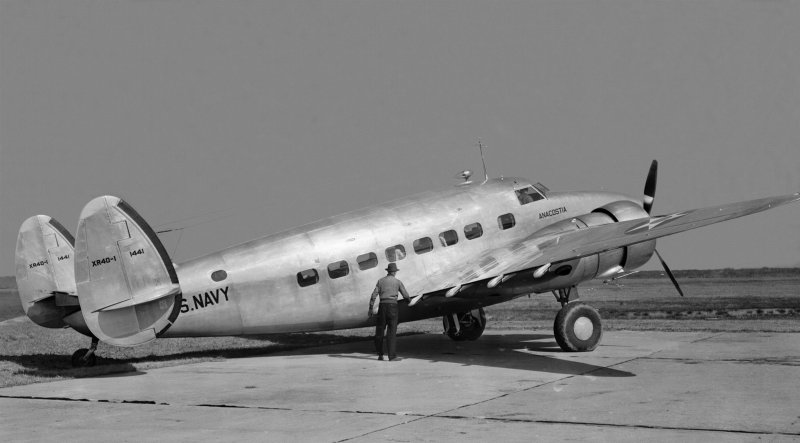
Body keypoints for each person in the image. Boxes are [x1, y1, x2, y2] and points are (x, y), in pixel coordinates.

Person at [368, 262, 411, 361]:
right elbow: (405, 294)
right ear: (395, 272)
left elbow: (373, 295)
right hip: (393, 307)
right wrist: (409, 301)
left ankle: (380, 354)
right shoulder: (397, 282)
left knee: (380, 331)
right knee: (391, 332)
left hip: (382, 306)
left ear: (388, 271)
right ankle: (392, 356)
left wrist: (370, 308)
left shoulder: (380, 281)